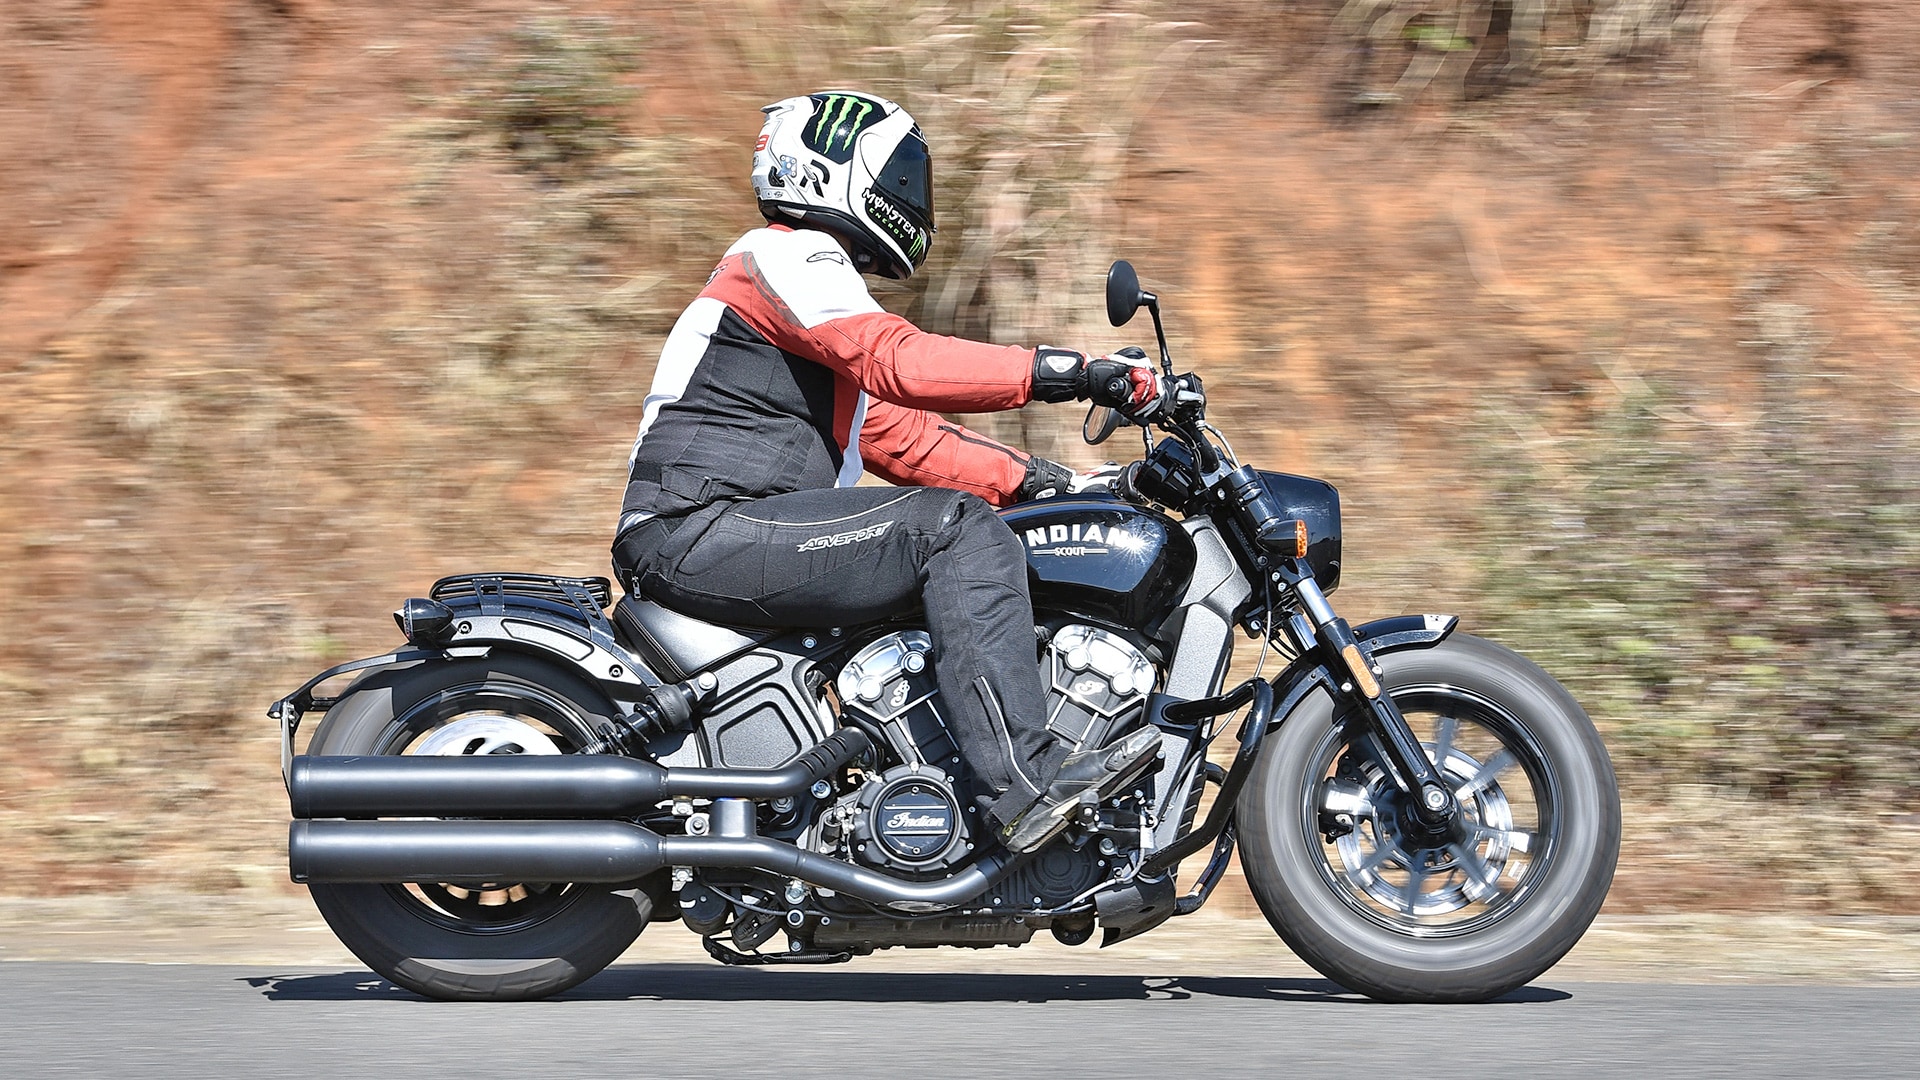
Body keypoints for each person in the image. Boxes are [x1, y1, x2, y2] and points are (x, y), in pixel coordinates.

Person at [611, 90, 1176, 854]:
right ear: (830, 166)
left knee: (958, 520)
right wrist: (1075, 373)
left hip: (725, 524)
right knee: (952, 533)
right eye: (899, 173)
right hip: (700, 526)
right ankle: (1026, 785)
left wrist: (1051, 484)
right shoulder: (783, 254)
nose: (911, 193)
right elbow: (899, 362)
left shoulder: (814, 300)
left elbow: (903, 438)